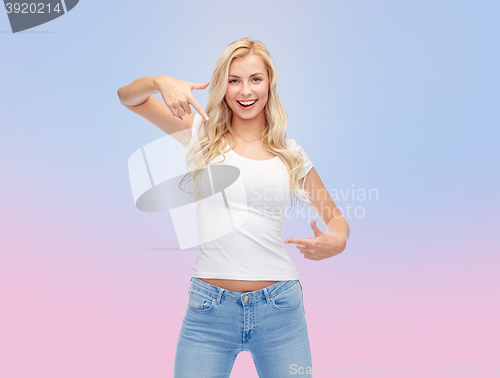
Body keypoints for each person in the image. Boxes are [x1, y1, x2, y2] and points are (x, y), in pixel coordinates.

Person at [117, 37, 350, 378]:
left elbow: (337, 220)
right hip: (209, 311)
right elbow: (128, 98)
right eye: (234, 80)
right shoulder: (200, 135)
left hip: (280, 309)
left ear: (269, 83)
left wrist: (337, 241)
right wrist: (159, 82)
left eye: (255, 79)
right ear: (222, 86)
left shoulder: (291, 154)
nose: (245, 91)